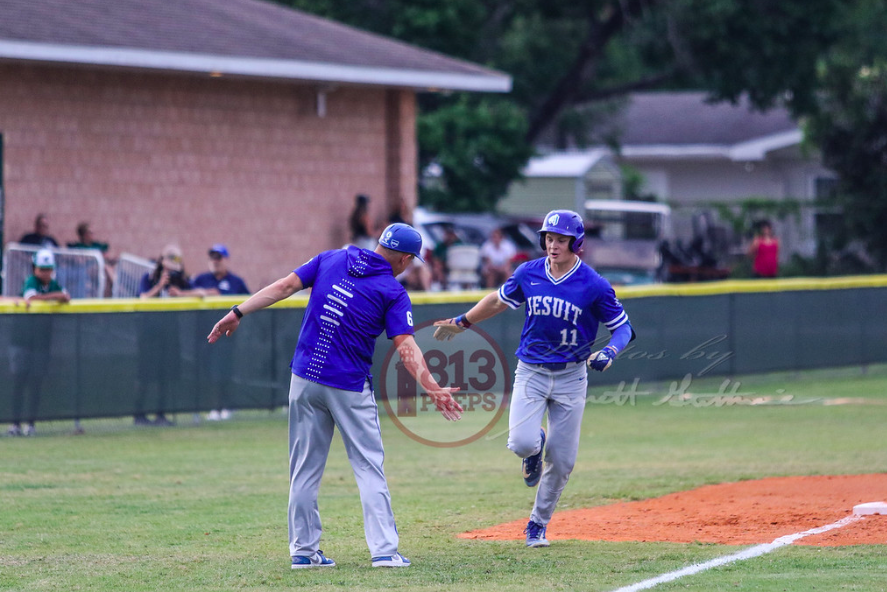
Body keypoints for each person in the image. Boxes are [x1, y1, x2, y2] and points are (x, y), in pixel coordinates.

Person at [207, 223, 463, 569]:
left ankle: (303, 552)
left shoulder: (330, 259)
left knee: (304, 469)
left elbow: (284, 287)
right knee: (368, 466)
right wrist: (432, 387)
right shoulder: (392, 290)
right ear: (404, 259)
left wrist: (237, 312)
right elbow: (406, 346)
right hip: (348, 386)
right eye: (409, 260)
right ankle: (385, 551)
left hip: (304, 377)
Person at [433, 210, 635, 548]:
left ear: (577, 243)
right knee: (522, 443)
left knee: (563, 461)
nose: (553, 245)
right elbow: (498, 301)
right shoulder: (529, 273)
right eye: (549, 238)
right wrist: (462, 321)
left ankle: (537, 524)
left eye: (561, 239)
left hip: (572, 377)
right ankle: (535, 445)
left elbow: (624, 328)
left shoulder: (594, 284)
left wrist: (610, 352)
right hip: (532, 371)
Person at [7, 249, 70, 436]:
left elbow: (66, 296)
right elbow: (31, 298)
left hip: (41, 342)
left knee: (36, 383)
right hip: (21, 340)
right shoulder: (31, 281)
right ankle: (15, 425)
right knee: (19, 381)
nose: (45, 273)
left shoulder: (53, 283)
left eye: (48, 269)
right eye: (42, 269)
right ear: (35, 269)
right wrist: (54, 296)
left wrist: (57, 295)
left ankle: (30, 425)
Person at [189, 244, 250, 421]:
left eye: (219, 257)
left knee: (224, 371)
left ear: (225, 259)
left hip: (227, 337)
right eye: (212, 258)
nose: (215, 261)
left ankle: (226, 406)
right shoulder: (201, 280)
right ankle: (209, 408)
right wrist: (205, 292)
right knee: (206, 372)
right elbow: (182, 292)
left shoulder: (235, 282)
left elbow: (249, 301)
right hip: (204, 334)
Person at [133, 244, 192, 426]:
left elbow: (199, 293)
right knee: (145, 375)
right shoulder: (149, 278)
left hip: (170, 334)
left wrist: (180, 293)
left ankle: (161, 414)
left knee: (166, 376)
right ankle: (139, 414)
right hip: (149, 334)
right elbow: (142, 298)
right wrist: (159, 286)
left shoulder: (179, 280)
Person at [68, 221, 116, 297]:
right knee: (106, 268)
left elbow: (107, 257)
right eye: (90, 232)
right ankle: (116, 284)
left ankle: (115, 287)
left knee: (110, 268)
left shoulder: (97, 245)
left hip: (101, 268)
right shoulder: (79, 247)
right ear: (84, 235)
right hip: (87, 269)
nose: (92, 235)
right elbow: (79, 260)